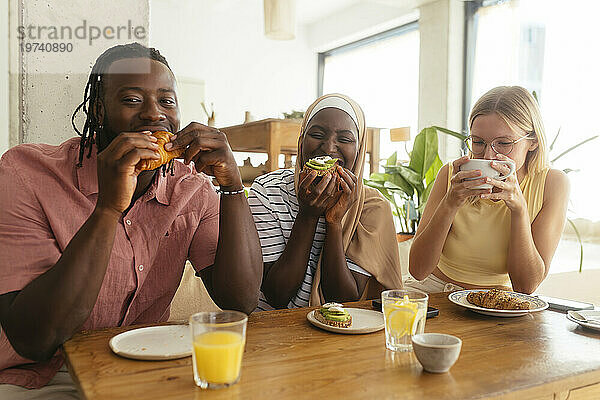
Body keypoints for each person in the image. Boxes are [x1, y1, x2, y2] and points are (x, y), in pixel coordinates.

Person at [0, 43, 262, 397]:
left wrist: (232, 185)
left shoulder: (192, 188)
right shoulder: (26, 173)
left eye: (167, 101)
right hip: (39, 377)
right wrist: (108, 209)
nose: (155, 115)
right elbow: (34, 338)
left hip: (147, 368)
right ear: (99, 110)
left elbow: (241, 300)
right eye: (132, 99)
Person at [408, 86, 569, 294]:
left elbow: (525, 286)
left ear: (533, 142)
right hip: (435, 291)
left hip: (496, 303)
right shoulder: (451, 174)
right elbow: (418, 270)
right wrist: (450, 202)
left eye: (503, 143)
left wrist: (519, 209)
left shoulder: (552, 184)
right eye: (478, 142)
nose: (488, 156)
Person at [249, 93, 403, 311]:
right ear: (301, 140)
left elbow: (343, 299)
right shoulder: (268, 192)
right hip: (272, 331)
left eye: (345, 139)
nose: (329, 148)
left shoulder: (372, 206)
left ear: (358, 151)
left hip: (336, 334)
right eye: (317, 134)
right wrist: (308, 215)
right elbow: (277, 295)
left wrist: (334, 222)